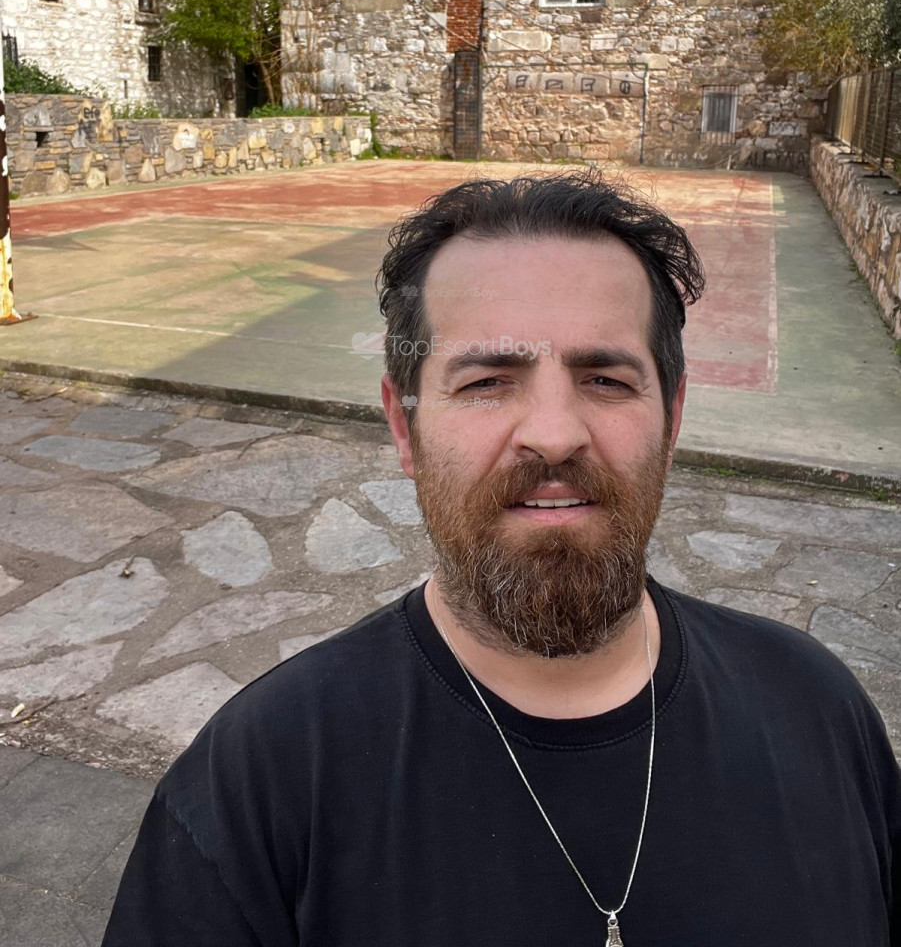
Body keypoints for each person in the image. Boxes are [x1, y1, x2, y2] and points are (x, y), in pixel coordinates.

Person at [103, 169, 900, 946]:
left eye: (605, 379)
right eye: (486, 381)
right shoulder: (258, 781)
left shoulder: (817, 708)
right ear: (404, 425)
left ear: (672, 417)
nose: (553, 435)